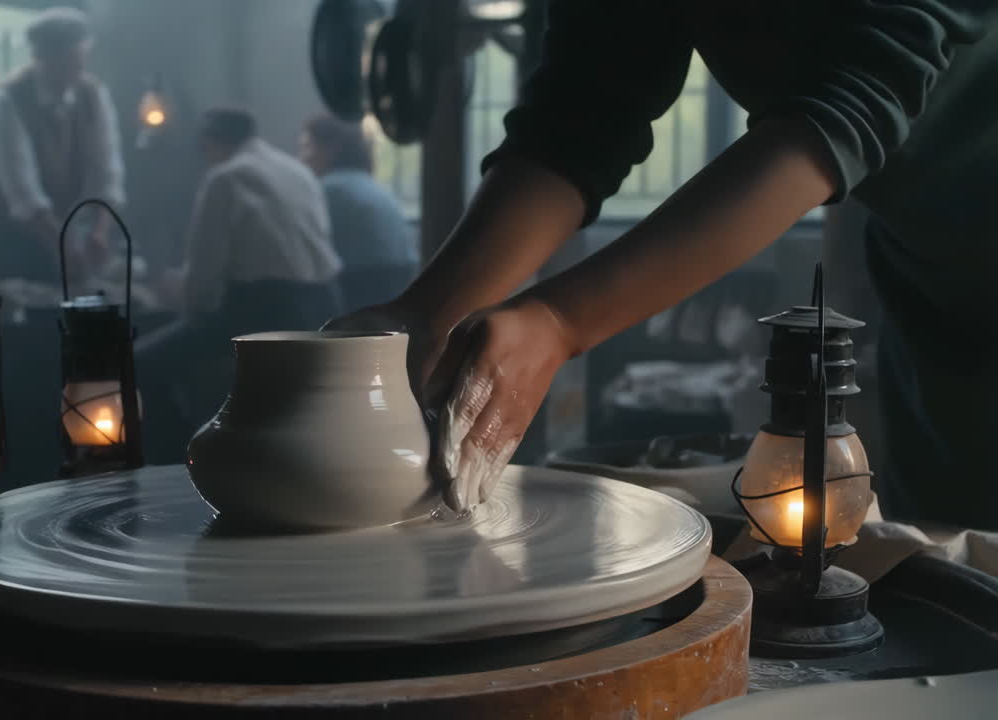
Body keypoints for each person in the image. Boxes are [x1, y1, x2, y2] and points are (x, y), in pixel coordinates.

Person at [330, 1, 998, 530]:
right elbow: (581, 112)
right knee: (956, 575)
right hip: (932, 280)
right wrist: (424, 313)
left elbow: (844, 110)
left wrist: (559, 321)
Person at [136, 107, 343, 463]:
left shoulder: (225, 178)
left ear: (210, 144)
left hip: (265, 310)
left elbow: (204, 272)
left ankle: (177, 457)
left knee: (138, 364)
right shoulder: (297, 170)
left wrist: (181, 296)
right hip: (326, 303)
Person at [0, 7, 124, 287]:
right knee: (13, 311)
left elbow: (107, 172)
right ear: (40, 57)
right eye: (66, 62)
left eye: (80, 61)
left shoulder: (94, 96)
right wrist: (63, 247)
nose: (76, 72)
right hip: (2, 233)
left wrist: (99, 230)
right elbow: (24, 197)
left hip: (57, 227)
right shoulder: (6, 102)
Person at [299, 114, 419, 311]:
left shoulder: (328, 189)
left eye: (308, 146)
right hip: (403, 271)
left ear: (331, 149)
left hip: (364, 277)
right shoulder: (369, 184)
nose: (303, 157)